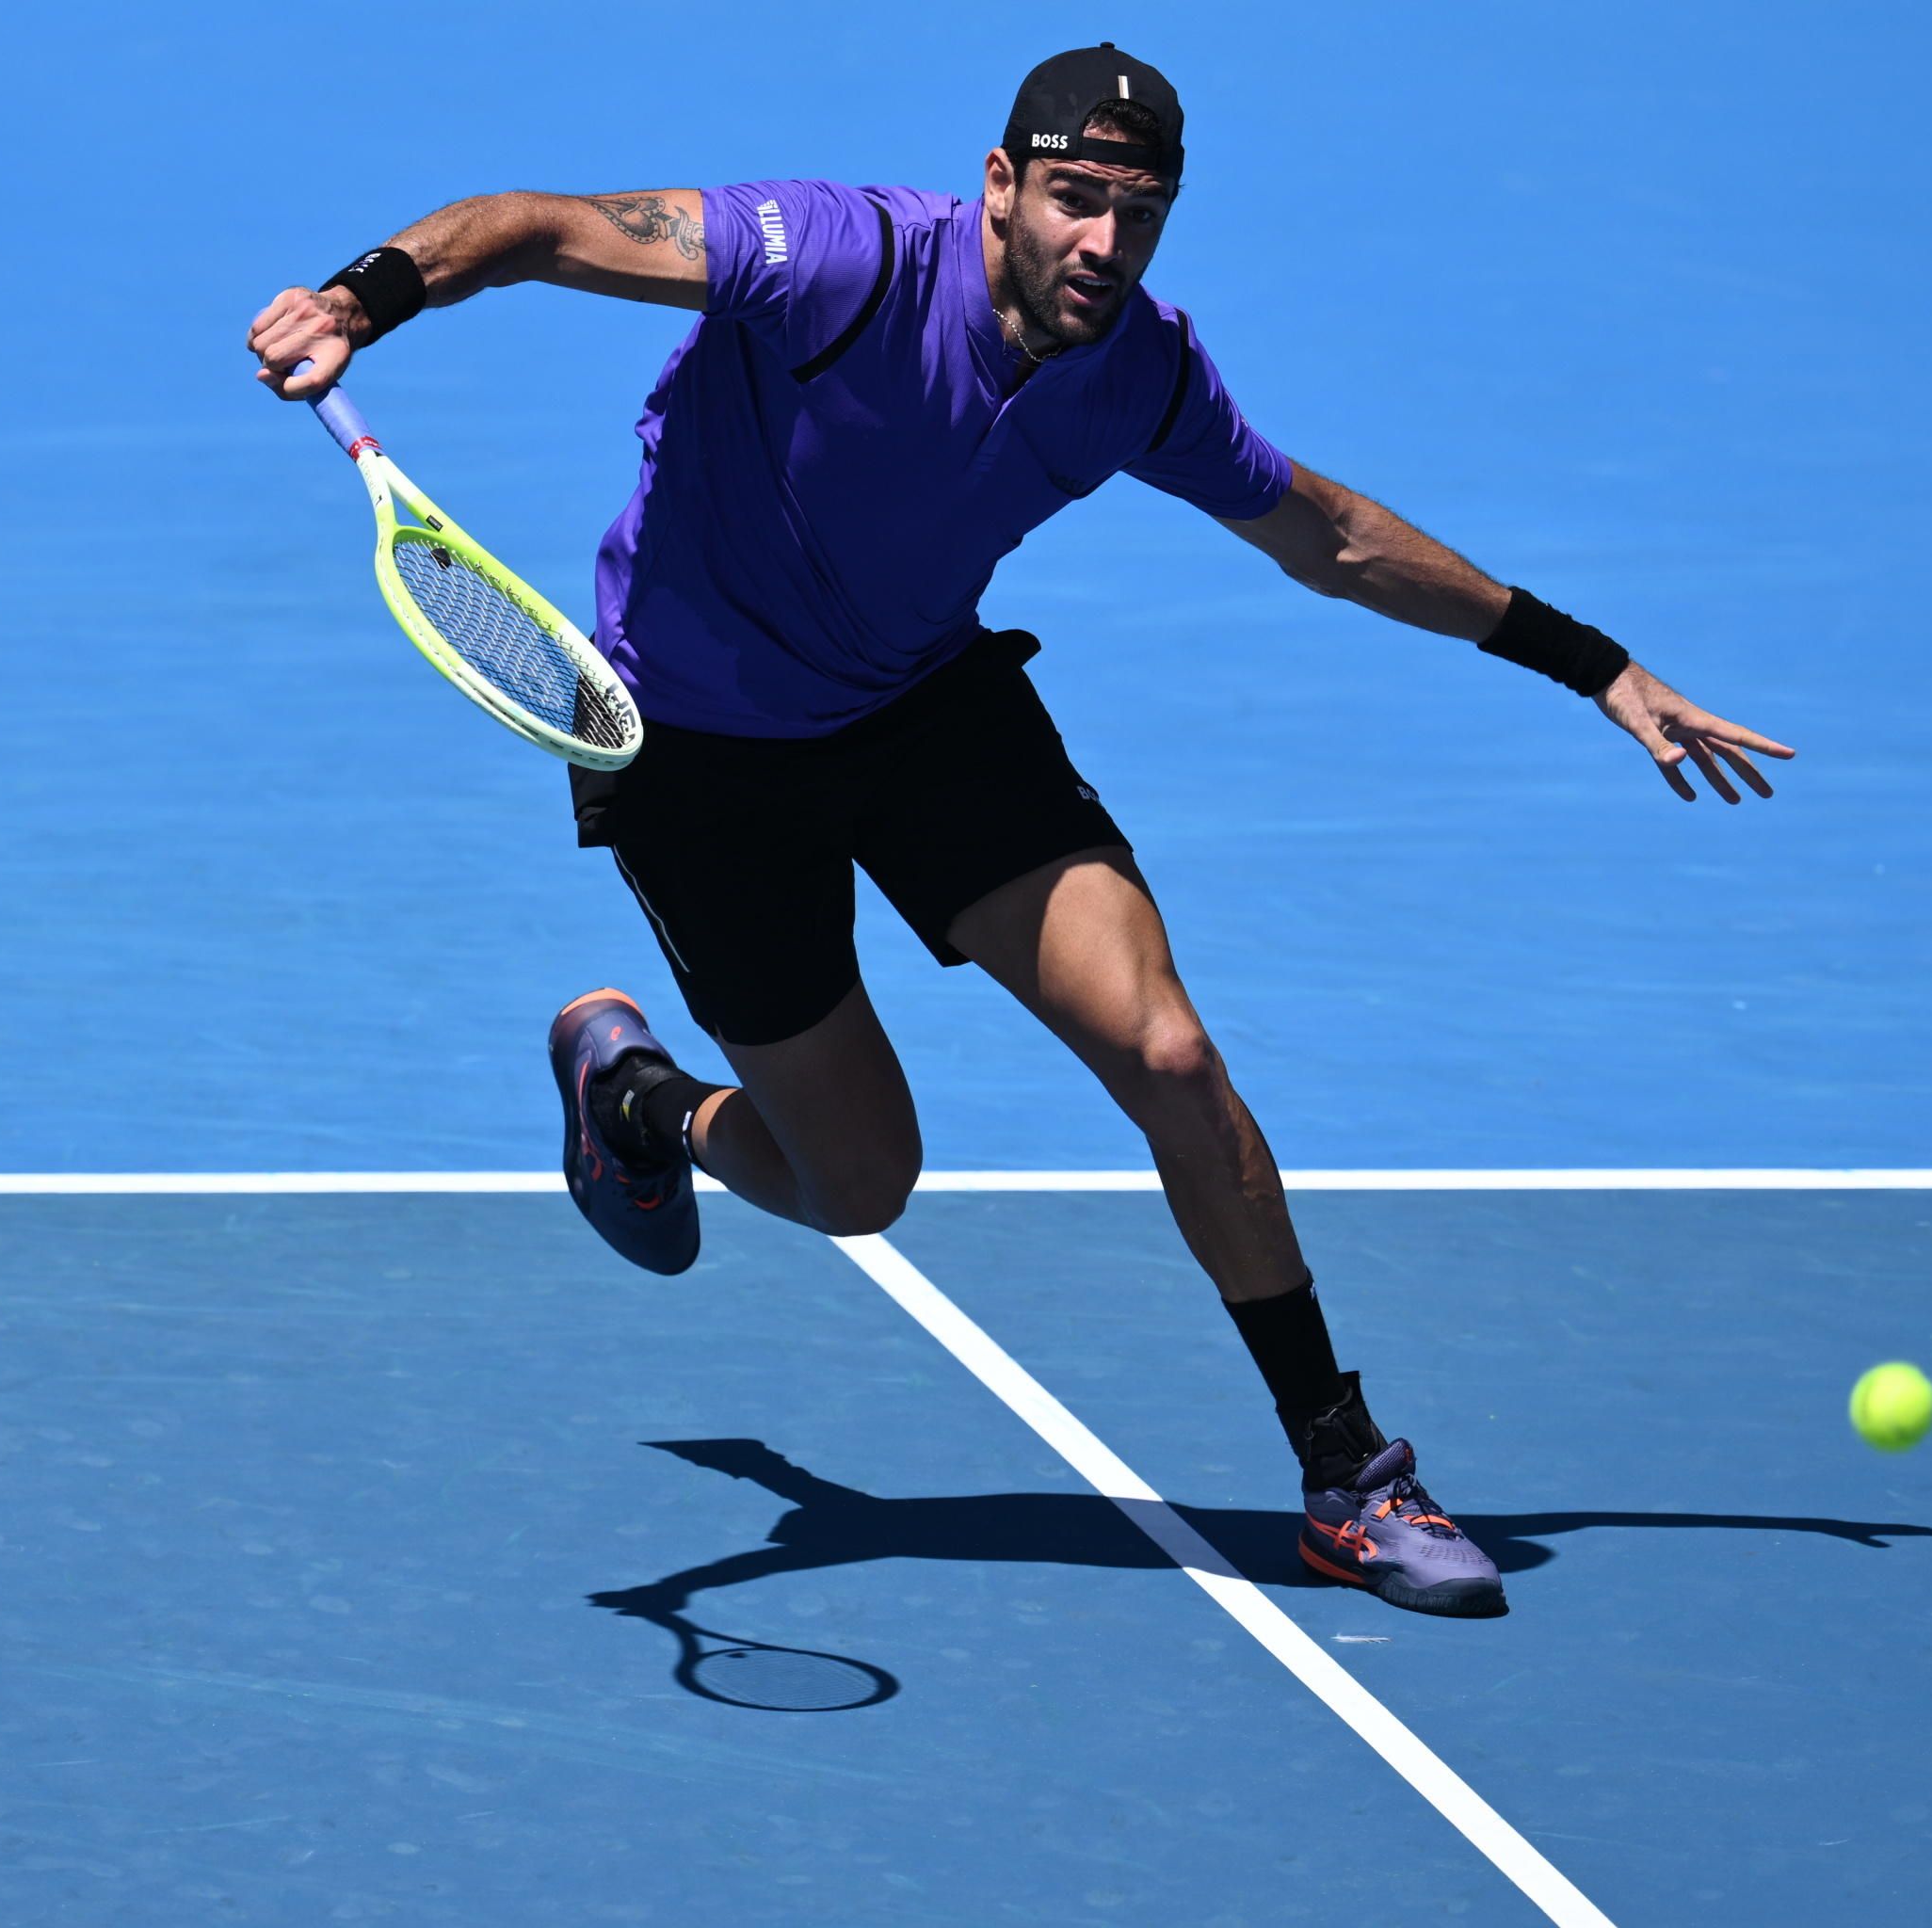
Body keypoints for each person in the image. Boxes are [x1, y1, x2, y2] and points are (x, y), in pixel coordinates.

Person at [247, 44, 1793, 1618]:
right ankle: (639, 1102)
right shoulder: (832, 258)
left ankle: (1346, 1474)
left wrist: (1592, 664)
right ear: (1000, 186)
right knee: (857, 1187)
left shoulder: (1140, 375)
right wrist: (365, 296)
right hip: (700, 756)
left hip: (922, 712)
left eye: (1140, 211)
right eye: (1074, 200)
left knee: (1172, 1056)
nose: (1103, 246)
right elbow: (543, 224)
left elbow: (1329, 536)